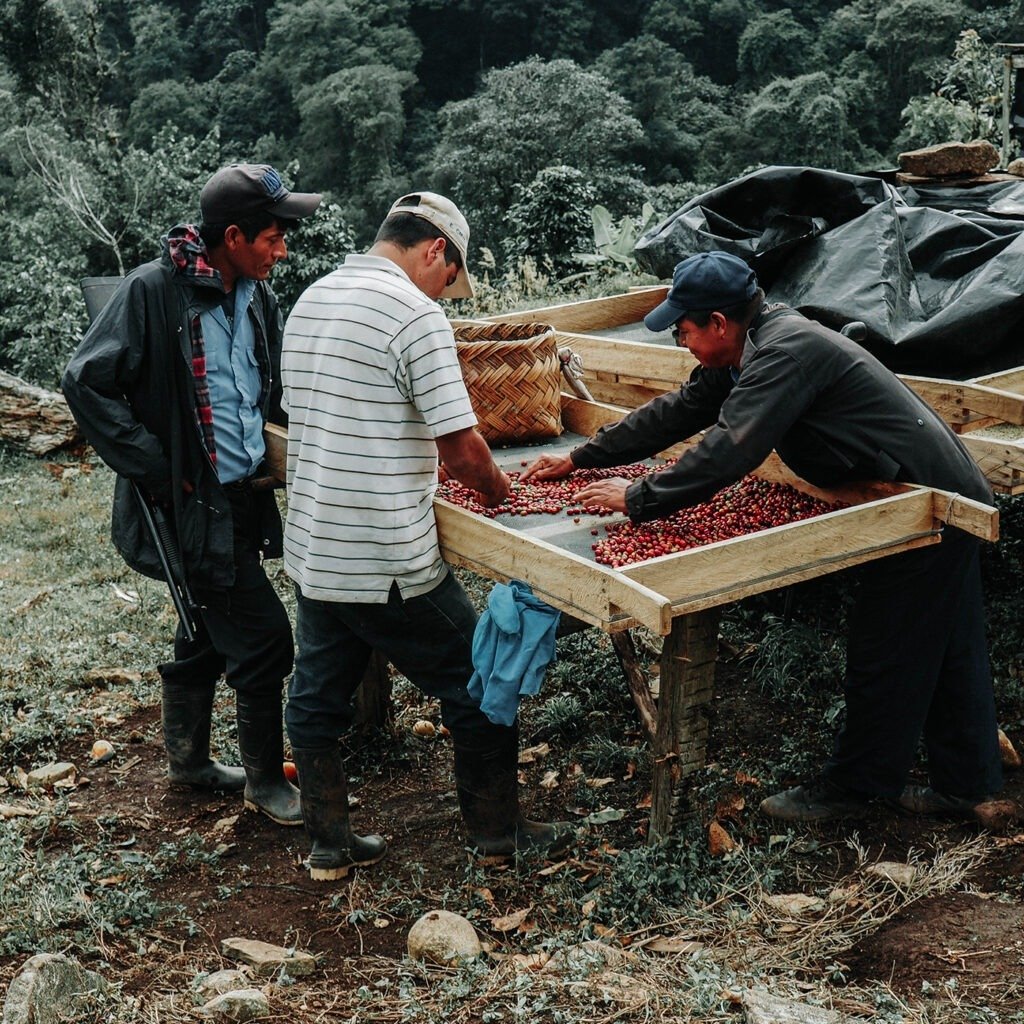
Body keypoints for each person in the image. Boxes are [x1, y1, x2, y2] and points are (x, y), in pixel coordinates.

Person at [522, 250, 1003, 823]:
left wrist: (638, 498)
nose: (682, 344)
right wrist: (580, 457)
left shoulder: (785, 353)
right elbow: (678, 412)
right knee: (947, 641)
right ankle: (968, 787)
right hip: (915, 490)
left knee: (888, 648)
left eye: (684, 331)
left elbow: (730, 448)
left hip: (932, 502)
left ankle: (857, 790)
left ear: (719, 324)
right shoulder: (747, 349)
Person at [280, 191, 572, 879]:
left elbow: (327, 418)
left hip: (318, 546)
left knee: (316, 700)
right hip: (388, 558)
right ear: (436, 250)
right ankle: (499, 838)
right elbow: (464, 450)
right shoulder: (415, 316)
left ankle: (328, 846)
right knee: (480, 682)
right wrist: (508, 496)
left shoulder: (313, 298)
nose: (446, 291)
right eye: (450, 276)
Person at [62, 163, 322, 827]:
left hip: (243, 494)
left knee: (207, 623)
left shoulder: (255, 295)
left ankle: (190, 764)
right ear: (232, 236)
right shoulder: (154, 292)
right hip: (191, 502)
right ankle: (265, 782)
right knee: (265, 638)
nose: (282, 249)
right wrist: (155, 463)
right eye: (272, 237)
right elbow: (85, 382)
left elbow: (271, 387)